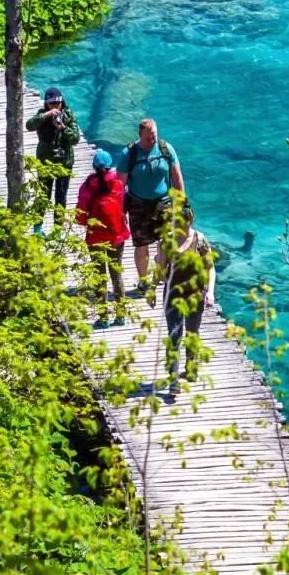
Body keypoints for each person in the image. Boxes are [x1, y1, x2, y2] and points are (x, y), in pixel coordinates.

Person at [116, 117, 183, 292]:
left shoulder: (166, 150)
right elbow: (120, 186)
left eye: (153, 136)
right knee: (141, 244)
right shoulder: (128, 154)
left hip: (163, 202)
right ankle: (143, 280)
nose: (151, 141)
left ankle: (158, 277)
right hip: (137, 204)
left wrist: (182, 203)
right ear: (139, 135)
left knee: (166, 240)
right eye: (147, 138)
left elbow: (177, 177)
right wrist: (120, 210)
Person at [161, 206, 216, 394]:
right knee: (174, 334)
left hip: (196, 295)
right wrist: (152, 288)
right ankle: (173, 379)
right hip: (173, 295)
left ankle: (191, 368)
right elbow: (160, 268)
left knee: (192, 331)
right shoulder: (167, 240)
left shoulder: (200, 240)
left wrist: (210, 293)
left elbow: (210, 268)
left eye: (185, 221)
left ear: (191, 220)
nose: (181, 224)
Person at [74, 148, 129, 323]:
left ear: (94, 166)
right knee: (116, 274)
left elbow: (80, 216)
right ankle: (121, 315)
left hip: (95, 238)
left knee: (100, 276)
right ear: (111, 166)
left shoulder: (87, 186)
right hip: (116, 236)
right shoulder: (118, 184)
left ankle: (103, 317)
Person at [24, 86, 80, 221]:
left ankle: (59, 228)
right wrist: (46, 115)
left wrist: (63, 128)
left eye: (58, 103)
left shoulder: (68, 115)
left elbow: (76, 139)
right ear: (47, 104)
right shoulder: (42, 115)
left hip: (64, 162)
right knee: (44, 194)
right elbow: (29, 125)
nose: (56, 106)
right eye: (52, 103)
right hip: (45, 161)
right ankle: (38, 225)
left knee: (61, 196)